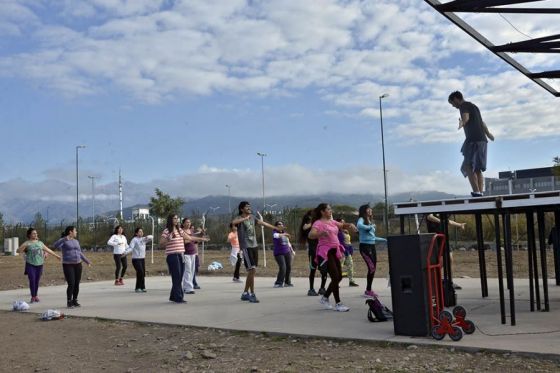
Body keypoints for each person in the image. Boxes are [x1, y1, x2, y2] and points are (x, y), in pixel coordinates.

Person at [308, 203, 357, 312]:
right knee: (335, 277)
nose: (331, 211)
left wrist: (350, 225)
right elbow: (311, 235)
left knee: (339, 277)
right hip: (326, 252)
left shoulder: (332, 221)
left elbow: (342, 225)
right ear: (322, 211)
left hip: (335, 251)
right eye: (329, 209)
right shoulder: (318, 223)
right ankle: (338, 304)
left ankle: (325, 298)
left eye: (331, 209)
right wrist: (320, 234)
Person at [448, 91, 495, 197]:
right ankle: (480, 192)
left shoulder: (463, 106)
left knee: (468, 166)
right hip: (482, 140)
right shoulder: (474, 106)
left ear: (456, 99)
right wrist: (488, 134)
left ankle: (477, 192)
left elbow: (466, 118)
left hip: (473, 140)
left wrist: (462, 123)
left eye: (452, 103)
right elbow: (481, 122)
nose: (453, 106)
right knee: (477, 167)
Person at [231, 201, 278, 303]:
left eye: (249, 206)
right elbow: (233, 223)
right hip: (246, 247)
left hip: (254, 246)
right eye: (247, 207)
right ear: (242, 209)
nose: (249, 208)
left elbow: (263, 223)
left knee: (252, 271)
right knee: (252, 270)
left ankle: (244, 293)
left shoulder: (252, 217)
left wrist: (276, 228)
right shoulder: (239, 218)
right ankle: (252, 294)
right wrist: (244, 219)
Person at [17, 228, 61, 303]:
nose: (35, 234)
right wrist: (24, 246)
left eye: (36, 233)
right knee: (32, 279)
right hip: (30, 264)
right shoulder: (27, 243)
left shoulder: (40, 243)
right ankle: (33, 296)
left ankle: (36, 295)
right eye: (34, 233)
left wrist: (56, 256)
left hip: (40, 264)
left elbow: (48, 250)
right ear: (29, 235)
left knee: (37, 281)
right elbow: (18, 251)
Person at [53, 226, 91, 308]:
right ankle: (69, 301)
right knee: (71, 283)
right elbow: (55, 245)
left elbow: (79, 253)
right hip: (68, 264)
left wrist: (87, 261)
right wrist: (64, 239)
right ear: (70, 232)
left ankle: (75, 300)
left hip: (78, 264)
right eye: (75, 231)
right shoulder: (64, 240)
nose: (76, 232)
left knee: (77, 283)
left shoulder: (76, 241)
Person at [426, 213, 466, 290]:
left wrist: (460, 225)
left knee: (450, 259)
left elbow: (449, 222)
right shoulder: (431, 210)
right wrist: (440, 221)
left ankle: (450, 281)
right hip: (437, 240)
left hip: (444, 239)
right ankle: (435, 281)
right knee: (440, 262)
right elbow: (429, 217)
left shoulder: (442, 213)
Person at [357, 204, 386, 298]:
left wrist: (384, 240)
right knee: (371, 268)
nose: (370, 210)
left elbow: (373, 237)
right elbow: (359, 226)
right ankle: (368, 291)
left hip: (372, 246)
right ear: (364, 211)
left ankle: (368, 290)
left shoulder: (370, 221)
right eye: (368, 209)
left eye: (370, 208)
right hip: (365, 247)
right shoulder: (362, 219)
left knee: (373, 269)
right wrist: (370, 227)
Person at [160, 214, 187, 303]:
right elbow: (161, 243)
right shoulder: (167, 231)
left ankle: (173, 296)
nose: (176, 220)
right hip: (173, 256)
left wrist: (200, 238)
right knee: (177, 277)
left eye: (177, 218)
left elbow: (189, 238)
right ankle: (179, 297)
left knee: (180, 277)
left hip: (181, 255)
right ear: (170, 220)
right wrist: (168, 238)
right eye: (174, 218)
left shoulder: (179, 230)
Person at [299, 210, 327, 296]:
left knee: (324, 270)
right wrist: (314, 222)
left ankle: (322, 288)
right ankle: (311, 289)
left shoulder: (319, 224)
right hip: (313, 251)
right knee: (313, 270)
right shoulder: (309, 224)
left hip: (322, 250)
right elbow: (304, 227)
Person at [181, 218, 209, 295]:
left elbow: (196, 238)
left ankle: (186, 286)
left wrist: (202, 234)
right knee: (188, 270)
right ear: (183, 223)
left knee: (192, 271)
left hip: (193, 253)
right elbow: (185, 241)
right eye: (187, 222)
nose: (188, 223)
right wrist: (193, 239)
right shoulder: (181, 231)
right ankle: (188, 288)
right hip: (185, 253)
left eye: (189, 222)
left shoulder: (191, 231)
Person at [127, 228, 153, 293]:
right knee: (140, 272)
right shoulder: (134, 240)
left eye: (142, 231)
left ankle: (142, 287)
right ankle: (138, 287)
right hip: (136, 259)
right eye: (139, 232)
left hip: (142, 259)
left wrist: (146, 237)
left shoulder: (143, 239)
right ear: (136, 233)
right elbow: (131, 248)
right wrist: (125, 253)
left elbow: (151, 237)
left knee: (142, 273)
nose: (141, 233)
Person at [335, 220, 358, 287]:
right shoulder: (337, 232)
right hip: (341, 252)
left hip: (347, 252)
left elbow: (348, 242)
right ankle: (336, 282)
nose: (343, 223)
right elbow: (340, 243)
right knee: (339, 267)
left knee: (350, 265)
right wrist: (344, 250)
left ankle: (351, 281)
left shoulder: (345, 231)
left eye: (344, 221)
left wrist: (350, 249)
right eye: (341, 222)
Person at [272, 221, 294, 288]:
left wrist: (292, 251)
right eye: (279, 224)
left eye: (282, 224)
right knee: (283, 267)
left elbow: (288, 243)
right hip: (278, 253)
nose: (281, 225)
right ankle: (278, 283)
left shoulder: (284, 233)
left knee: (289, 267)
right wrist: (285, 234)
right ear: (276, 226)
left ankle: (287, 282)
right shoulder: (274, 232)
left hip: (287, 252)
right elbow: (276, 236)